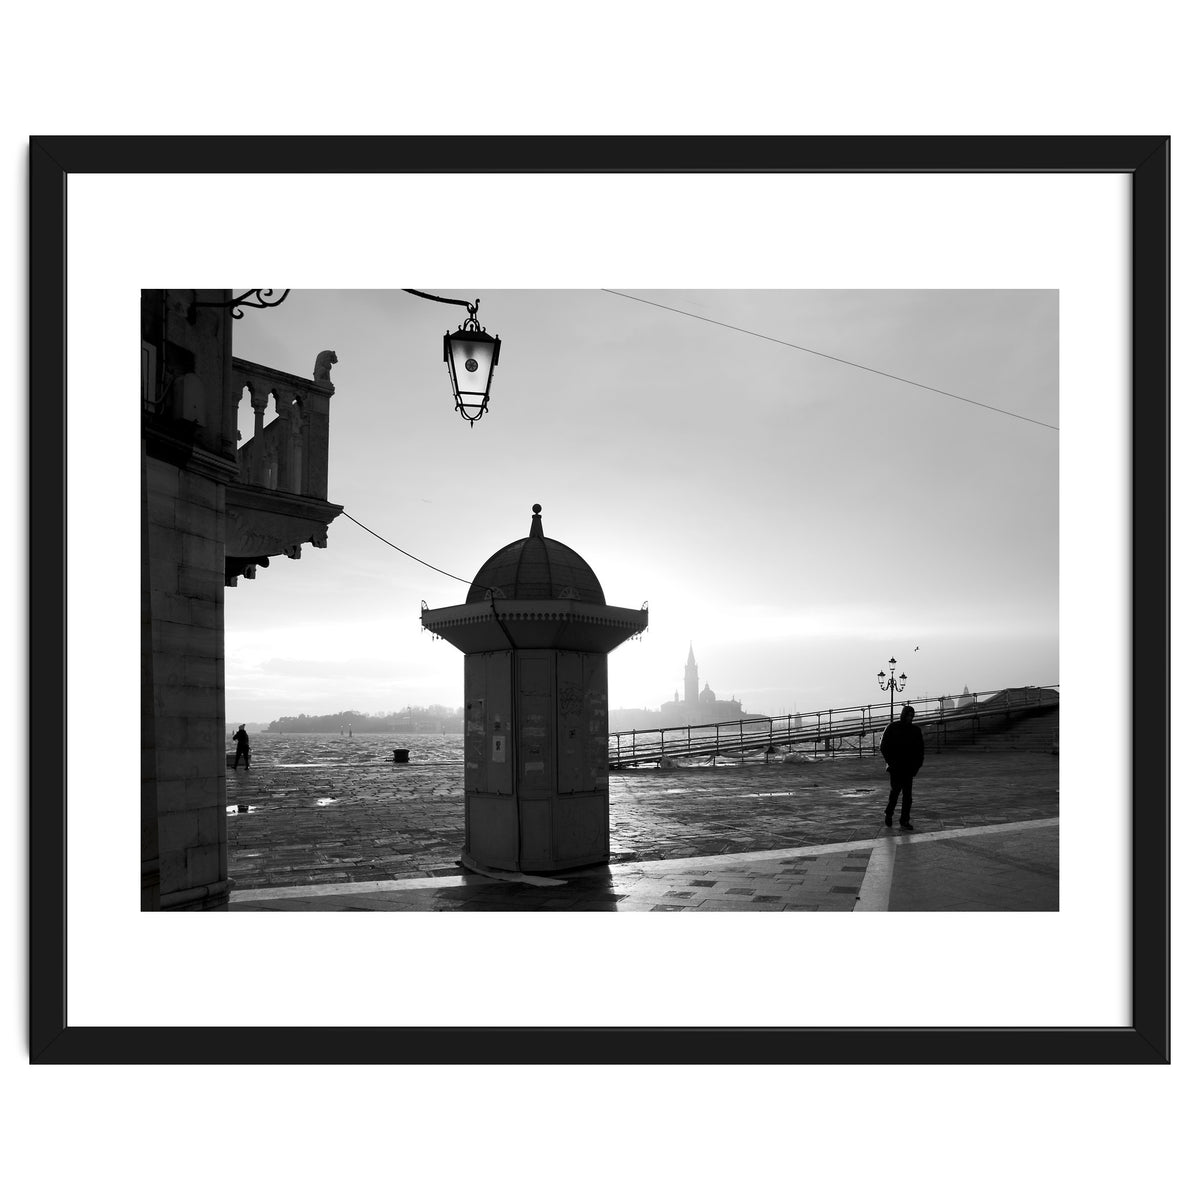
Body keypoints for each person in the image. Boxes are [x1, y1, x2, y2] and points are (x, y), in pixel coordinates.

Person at [880, 704, 923, 830]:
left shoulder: (915, 730)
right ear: (904, 715)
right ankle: (889, 813)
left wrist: (917, 766)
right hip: (896, 768)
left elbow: (920, 750)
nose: (910, 718)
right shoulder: (892, 727)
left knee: (907, 796)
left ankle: (904, 820)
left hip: (909, 768)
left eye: (912, 716)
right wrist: (891, 762)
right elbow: (883, 746)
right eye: (908, 715)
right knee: (895, 792)